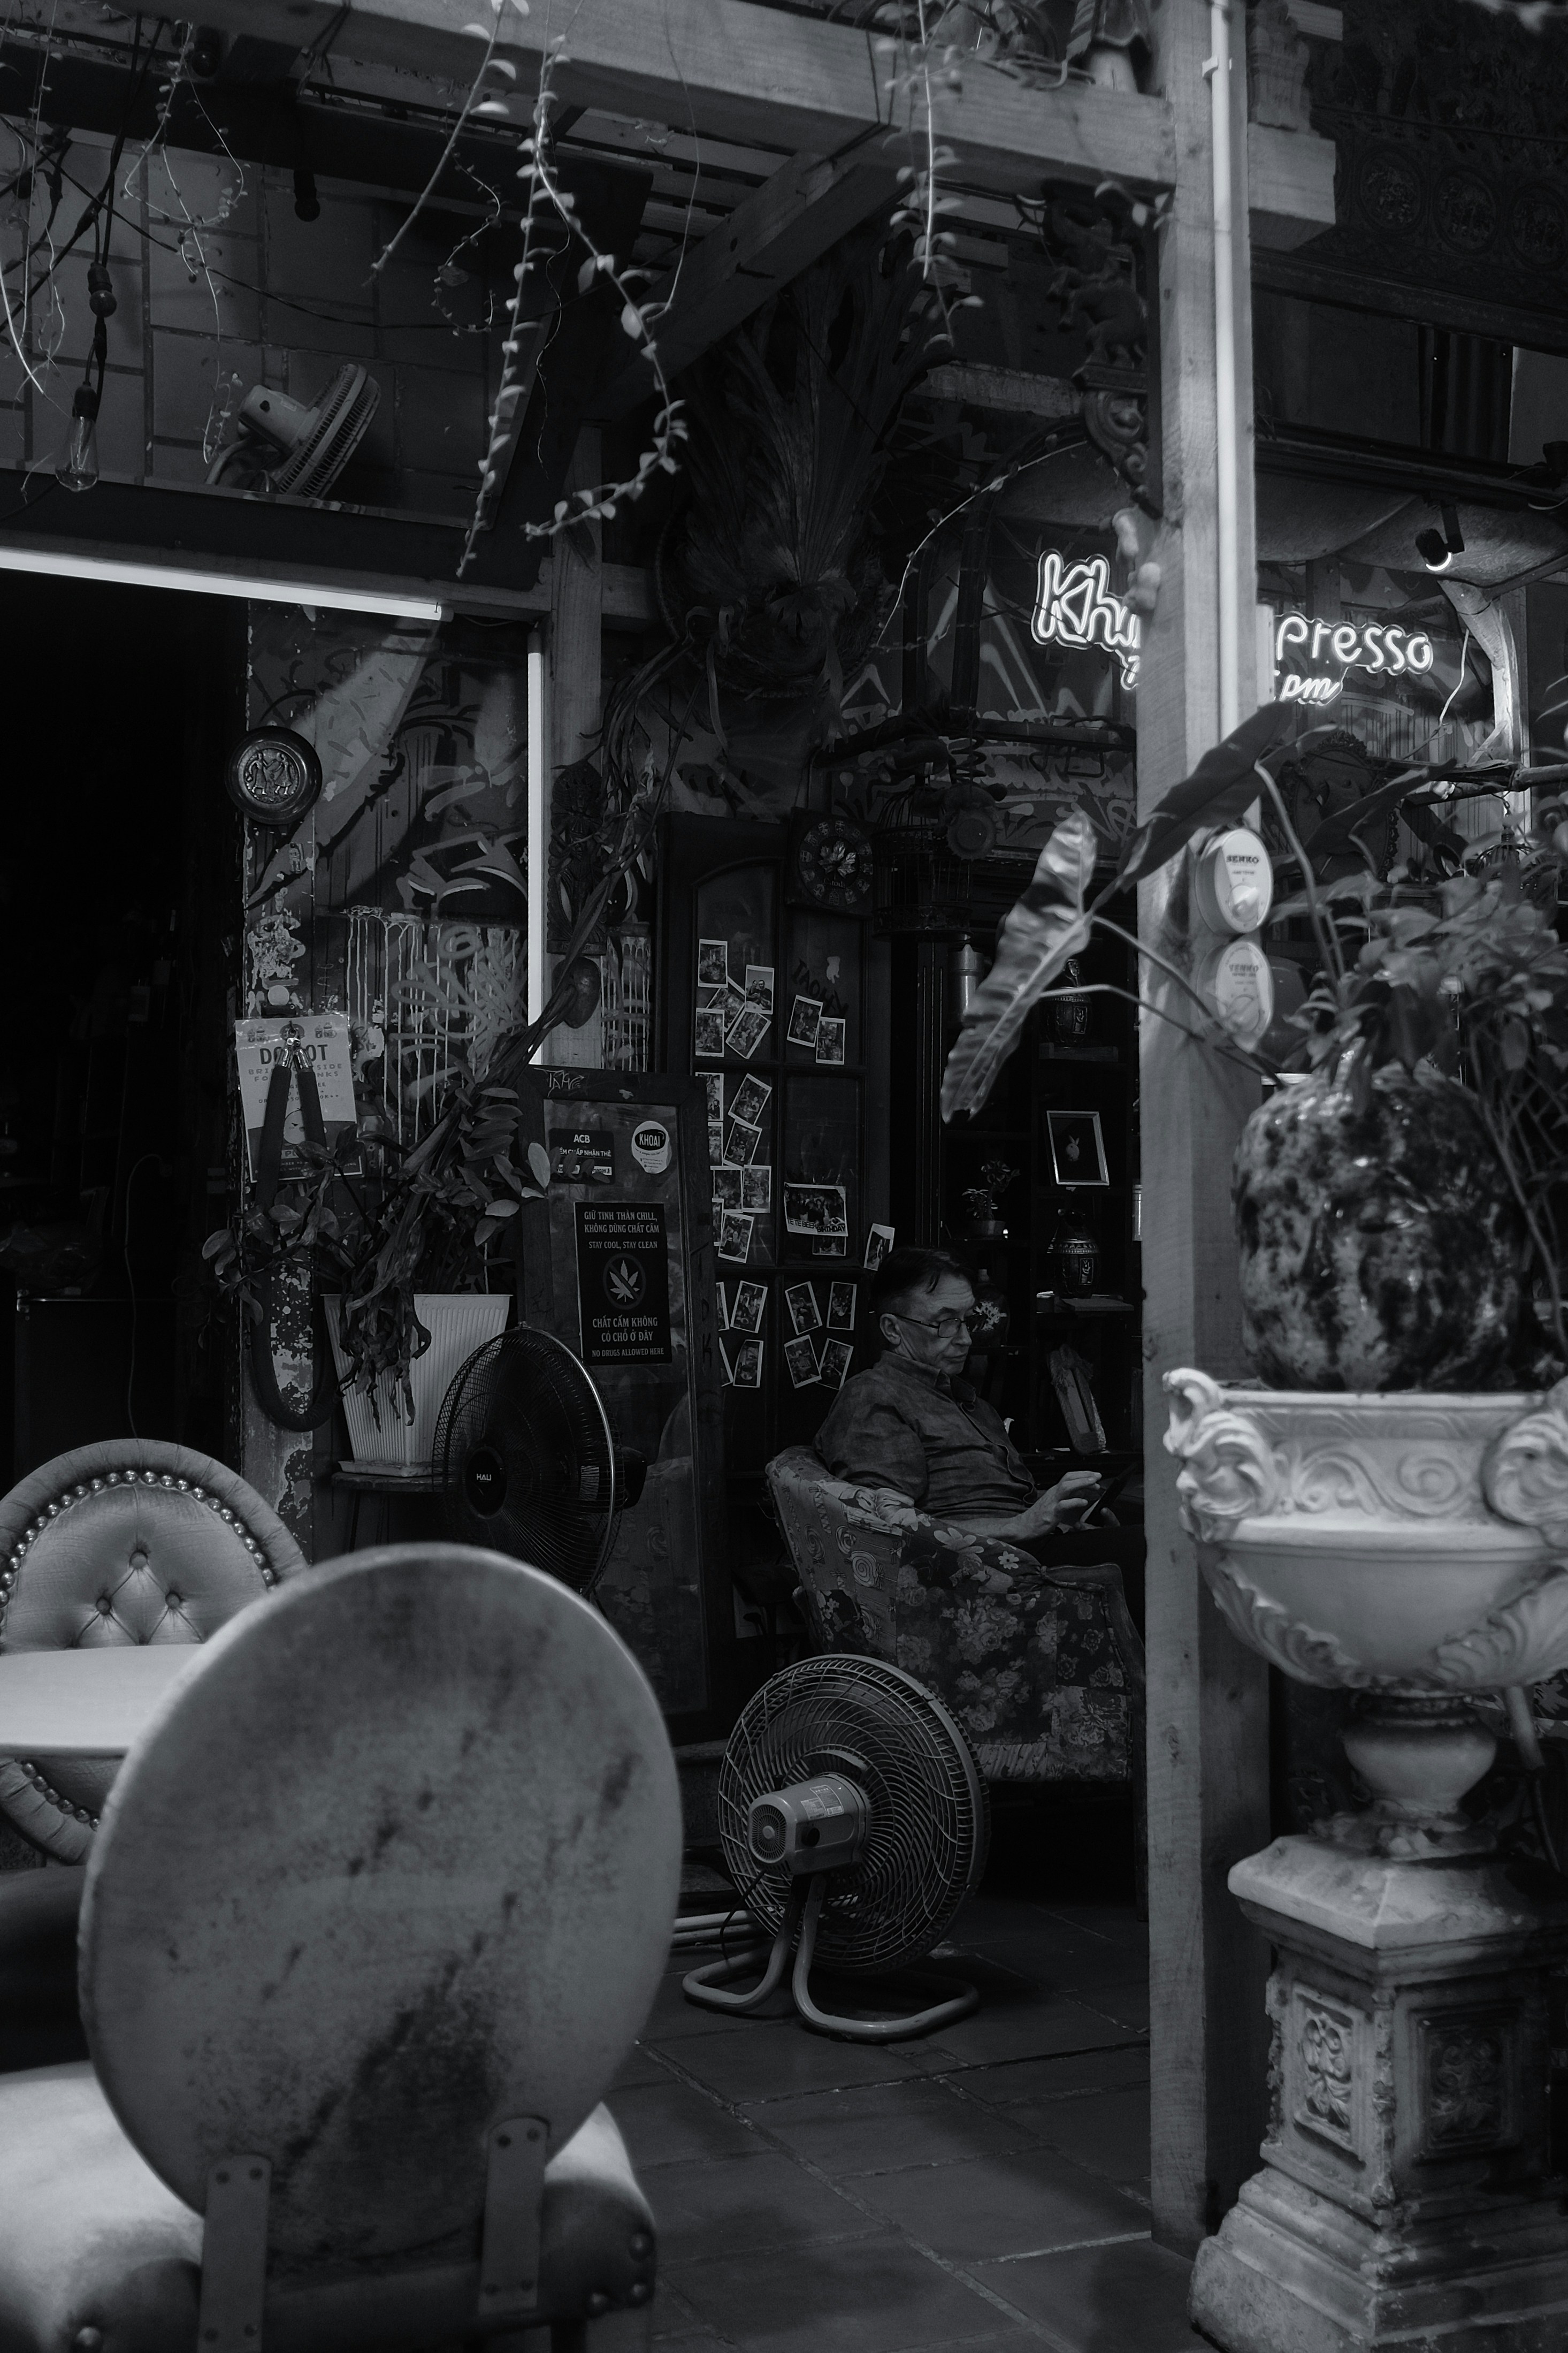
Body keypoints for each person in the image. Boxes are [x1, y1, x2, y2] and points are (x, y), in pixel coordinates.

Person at [814, 1245, 1101, 1541]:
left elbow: (1007, 1500)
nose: (965, 1339)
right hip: (977, 1567)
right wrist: (1023, 1525)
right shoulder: (874, 1396)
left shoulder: (967, 1400)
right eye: (946, 1323)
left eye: (967, 1320)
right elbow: (885, 1528)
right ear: (893, 1330)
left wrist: (1066, 1509)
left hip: (1031, 1546)